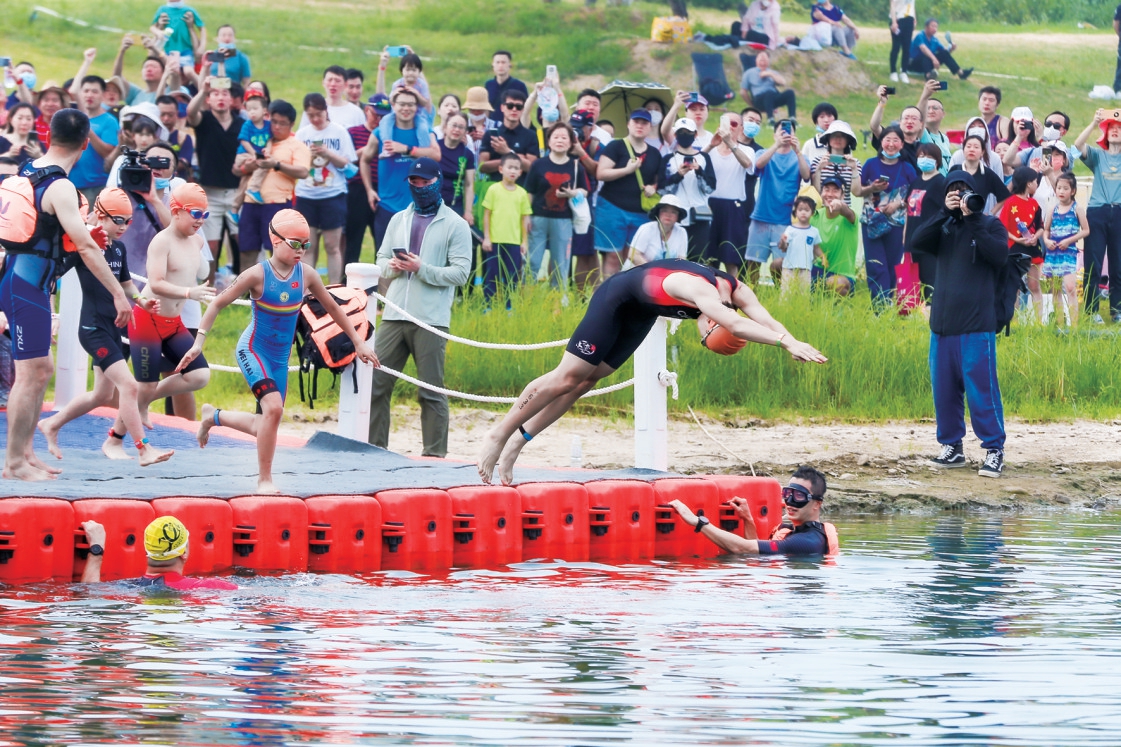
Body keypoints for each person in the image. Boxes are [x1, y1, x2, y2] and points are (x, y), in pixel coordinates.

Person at [476, 258, 827, 485]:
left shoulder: (735, 290)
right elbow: (735, 325)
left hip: (641, 312)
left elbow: (762, 318)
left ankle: (518, 443)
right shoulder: (699, 291)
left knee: (586, 381)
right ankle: (499, 435)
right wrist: (782, 343)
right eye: (706, 335)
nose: (700, 331)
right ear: (710, 324)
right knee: (568, 375)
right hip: (617, 297)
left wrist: (793, 341)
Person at [181, 210, 377, 493]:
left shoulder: (307, 275)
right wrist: (198, 343)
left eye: (306, 244)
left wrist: (359, 343)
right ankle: (264, 480)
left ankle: (214, 416)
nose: (301, 250)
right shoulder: (256, 275)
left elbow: (334, 308)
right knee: (273, 409)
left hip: (279, 359)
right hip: (254, 350)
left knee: (267, 422)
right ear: (275, 239)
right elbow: (216, 304)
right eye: (295, 243)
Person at [0, 109, 132, 481]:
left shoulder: (29, 167)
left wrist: (81, 235)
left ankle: (24, 453)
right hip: (28, 288)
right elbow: (89, 250)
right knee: (34, 372)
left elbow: (45, 235)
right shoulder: (61, 187)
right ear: (86, 144)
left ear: (49, 136)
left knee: (37, 370)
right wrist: (119, 295)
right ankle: (13, 464)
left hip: (17, 277)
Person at [37, 189, 173, 466]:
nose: (123, 227)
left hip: (116, 327)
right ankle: (143, 449)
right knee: (129, 385)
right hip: (93, 328)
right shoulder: (82, 244)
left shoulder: (118, 248)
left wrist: (142, 301)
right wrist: (51, 316)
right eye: (117, 220)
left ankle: (51, 424)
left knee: (102, 394)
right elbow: (51, 279)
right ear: (100, 216)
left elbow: (124, 286)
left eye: (128, 221)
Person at [369, 158, 471, 457]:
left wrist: (421, 268)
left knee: (430, 390)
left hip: (431, 319)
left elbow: (461, 274)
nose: (420, 186)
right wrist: (392, 267)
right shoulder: (397, 219)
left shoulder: (456, 224)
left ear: (438, 181)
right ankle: (374, 450)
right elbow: (379, 261)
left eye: (425, 181)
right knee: (376, 382)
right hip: (393, 314)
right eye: (414, 181)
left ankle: (434, 455)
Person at [910, 170, 1008, 478]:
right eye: (954, 190)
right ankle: (952, 447)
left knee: (982, 390)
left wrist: (974, 218)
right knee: (944, 391)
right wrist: (944, 211)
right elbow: (917, 242)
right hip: (942, 326)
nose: (960, 195)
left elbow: (999, 256)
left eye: (965, 191)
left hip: (977, 325)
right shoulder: (944, 226)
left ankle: (994, 450)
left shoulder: (991, 224)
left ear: (977, 194)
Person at [124, 183, 214, 430]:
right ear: (176, 212)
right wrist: (189, 292)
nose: (201, 220)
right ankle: (116, 436)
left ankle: (141, 402)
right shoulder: (161, 242)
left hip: (173, 323)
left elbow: (203, 270)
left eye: (205, 215)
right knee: (146, 385)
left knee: (199, 376)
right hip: (147, 320)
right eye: (196, 214)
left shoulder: (196, 243)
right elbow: (156, 282)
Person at [668, 466, 839, 555]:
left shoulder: (807, 542)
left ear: (817, 503)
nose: (790, 501)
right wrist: (748, 520)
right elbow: (757, 552)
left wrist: (698, 522)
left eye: (799, 496)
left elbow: (742, 549)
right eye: (787, 493)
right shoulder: (792, 531)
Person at [235, 100, 312, 275]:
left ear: (292, 124)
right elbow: (236, 169)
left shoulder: (297, 146)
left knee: (278, 251)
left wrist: (276, 164)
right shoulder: (260, 140)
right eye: (274, 122)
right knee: (247, 248)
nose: (276, 127)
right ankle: (243, 294)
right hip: (251, 201)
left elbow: (303, 172)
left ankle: (280, 289)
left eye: (282, 123)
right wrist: (247, 167)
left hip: (277, 203)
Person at [361, 88, 442, 252]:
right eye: (402, 104)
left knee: (418, 258)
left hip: (419, 206)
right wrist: (369, 190)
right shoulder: (380, 134)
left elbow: (436, 154)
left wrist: (406, 149)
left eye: (411, 105)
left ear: (416, 107)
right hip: (387, 206)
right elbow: (364, 160)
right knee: (385, 260)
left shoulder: (425, 132)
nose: (406, 108)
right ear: (393, 105)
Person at [294, 93, 357, 284]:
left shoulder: (339, 132)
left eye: (318, 114)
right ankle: (307, 290)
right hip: (306, 195)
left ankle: (334, 288)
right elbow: (297, 165)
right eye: (310, 115)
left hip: (333, 195)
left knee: (332, 245)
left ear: (325, 111)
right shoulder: (302, 135)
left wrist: (327, 153)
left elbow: (347, 163)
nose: (315, 119)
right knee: (308, 246)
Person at [78, 516, 238, 589]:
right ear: (184, 552)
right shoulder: (208, 586)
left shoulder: (128, 587)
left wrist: (96, 549)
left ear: (147, 551)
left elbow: (90, 594)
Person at [853, 125, 917, 307]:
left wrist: (898, 203)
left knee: (892, 266)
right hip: (871, 222)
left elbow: (914, 196)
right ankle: (879, 306)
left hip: (896, 224)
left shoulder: (907, 168)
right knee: (875, 265)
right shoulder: (870, 164)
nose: (891, 144)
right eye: (887, 139)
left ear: (902, 144)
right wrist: (872, 188)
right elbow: (858, 192)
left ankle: (887, 303)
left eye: (895, 140)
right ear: (881, 142)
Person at [594, 110, 663, 278]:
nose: (640, 126)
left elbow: (660, 180)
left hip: (640, 212)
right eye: (636, 121)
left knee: (633, 258)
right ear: (628, 124)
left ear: (650, 127)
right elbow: (601, 173)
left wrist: (653, 188)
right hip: (612, 207)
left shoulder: (654, 153)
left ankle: (627, 298)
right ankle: (608, 298)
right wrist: (626, 170)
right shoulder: (615, 146)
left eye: (644, 123)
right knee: (612, 256)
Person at [186, 75, 241, 276]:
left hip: (237, 191)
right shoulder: (205, 121)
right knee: (211, 245)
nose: (220, 97)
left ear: (231, 99)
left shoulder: (241, 124)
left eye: (224, 93)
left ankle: (245, 287)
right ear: (208, 99)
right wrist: (203, 90)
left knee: (241, 241)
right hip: (210, 192)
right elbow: (191, 113)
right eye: (215, 94)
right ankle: (209, 286)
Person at [745, 120, 810, 286]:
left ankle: (779, 295)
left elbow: (806, 175)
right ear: (775, 135)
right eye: (782, 131)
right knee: (753, 263)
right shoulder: (764, 153)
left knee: (781, 263)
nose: (786, 135)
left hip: (785, 220)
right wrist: (776, 145)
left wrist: (798, 152)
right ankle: (752, 296)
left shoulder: (799, 157)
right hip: (761, 216)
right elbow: (758, 165)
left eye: (790, 132)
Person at [524, 122, 587, 288]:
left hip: (563, 219)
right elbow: (529, 192)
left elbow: (585, 191)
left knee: (561, 262)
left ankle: (558, 299)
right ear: (549, 141)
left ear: (571, 142)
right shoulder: (538, 164)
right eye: (556, 137)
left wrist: (571, 193)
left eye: (564, 137)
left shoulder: (575, 165)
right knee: (533, 260)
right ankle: (527, 298)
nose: (560, 140)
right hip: (538, 217)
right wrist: (526, 216)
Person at [1073, 108, 1121, 323]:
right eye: (1111, 128)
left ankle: (1117, 311)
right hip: (1098, 211)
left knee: (1118, 265)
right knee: (1092, 262)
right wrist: (1094, 123)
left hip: (1119, 211)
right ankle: (1091, 312)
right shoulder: (1097, 155)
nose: (1115, 132)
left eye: (1119, 128)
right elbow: (1078, 145)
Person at [706, 112, 756, 277]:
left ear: (741, 128)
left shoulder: (747, 150)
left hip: (733, 207)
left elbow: (747, 164)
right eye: (726, 123)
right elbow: (696, 162)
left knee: (731, 258)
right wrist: (712, 145)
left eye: (734, 124)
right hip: (710, 205)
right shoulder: (711, 149)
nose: (730, 127)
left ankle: (733, 296)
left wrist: (731, 144)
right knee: (708, 258)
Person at [660, 118, 716, 264]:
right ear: (676, 134)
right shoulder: (668, 159)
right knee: (674, 260)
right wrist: (678, 175)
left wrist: (699, 172)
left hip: (699, 216)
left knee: (698, 260)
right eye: (681, 132)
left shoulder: (704, 158)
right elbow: (662, 190)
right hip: (675, 216)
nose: (685, 136)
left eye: (688, 133)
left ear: (695, 134)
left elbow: (710, 188)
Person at [344, 94, 390, 271]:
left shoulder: (389, 134)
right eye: (375, 115)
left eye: (383, 117)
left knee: (383, 241)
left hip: (383, 189)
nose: (379, 120)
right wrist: (370, 146)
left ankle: (380, 283)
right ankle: (346, 285)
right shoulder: (353, 132)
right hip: (357, 190)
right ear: (367, 111)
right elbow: (347, 160)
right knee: (353, 240)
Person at [481, 154, 532, 301]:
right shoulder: (493, 189)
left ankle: (510, 304)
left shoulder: (522, 193)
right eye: (510, 167)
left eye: (516, 168)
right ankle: (488, 304)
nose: (513, 171)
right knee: (492, 273)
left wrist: (524, 242)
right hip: (495, 241)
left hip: (514, 242)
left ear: (520, 172)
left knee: (512, 275)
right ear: (501, 169)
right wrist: (487, 238)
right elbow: (487, 214)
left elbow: (524, 219)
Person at [904, 142, 948, 302]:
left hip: (930, 243)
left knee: (931, 285)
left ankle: (931, 317)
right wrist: (905, 241)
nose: (924, 160)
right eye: (921, 156)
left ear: (937, 160)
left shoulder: (941, 183)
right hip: (912, 241)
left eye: (929, 156)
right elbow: (908, 212)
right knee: (911, 288)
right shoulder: (915, 182)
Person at [1042, 173, 1087, 327]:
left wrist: (1069, 240)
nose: (1061, 191)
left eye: (1065, 188)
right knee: (1055, 289)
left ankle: (1074, 325)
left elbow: (1086, 230)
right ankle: (1060, 323)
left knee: (1070, 287)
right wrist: (1047, 241)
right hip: (1053, 253)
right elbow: (1046, 230)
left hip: (1068, 252)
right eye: (1059, 188)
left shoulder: (1077, 208)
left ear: (1073, 191)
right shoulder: (1052, 208)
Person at [999, 167, 1044, 321]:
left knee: (1034, 286)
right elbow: (1002, 227)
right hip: (1015, 249)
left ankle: (1039, 322)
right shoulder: (1010, 202)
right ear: (1028, 183)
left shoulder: (1034, 203)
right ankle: (1014, 321)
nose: (1037, 184)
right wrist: (1017, 239)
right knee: (1014, 287)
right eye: (1035, 181)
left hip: (1032, 249)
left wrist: (1035, 237)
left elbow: (1040, 227)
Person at [70, 76, 119, 206]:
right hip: (71, 183)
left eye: (94, 91)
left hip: (95, 186)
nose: (89, 95)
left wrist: (88, 130)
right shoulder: (75, 118)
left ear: (103, 95)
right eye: (86, 91)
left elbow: (107, 153)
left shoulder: (109, 121)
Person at [811, 174, 859, 295]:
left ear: (842, 196)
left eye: (835, 191)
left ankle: (837, 310)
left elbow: (847, 212)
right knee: (778, 265)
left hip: (842, 275)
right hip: (817, 270)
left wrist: (840, 206)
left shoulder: (849, 217)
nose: (830, 194)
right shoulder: (815, 215)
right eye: (826, 190)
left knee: (834, 283)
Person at [479, 90, 539, 186]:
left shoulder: (530, 135)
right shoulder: (490, 134)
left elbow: (532, 168)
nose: (514, 110)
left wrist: (507, 152)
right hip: (494, 190)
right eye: (510, 106)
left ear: (523, 110)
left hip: (520, 190)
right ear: (502, 107)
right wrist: (518, 158)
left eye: (519, 107)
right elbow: (482, 167)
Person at [810, 120, 860, 205]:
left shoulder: (855, 163)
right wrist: (819, 169)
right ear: (828, 138)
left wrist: (854, 169)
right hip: (821, 211)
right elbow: (816, 191)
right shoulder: (817, 161)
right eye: (834, 135)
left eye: (842, 136)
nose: (837, 139)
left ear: (848, 140)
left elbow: (856, 192)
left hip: (844, 212)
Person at [300, 66, 364, 131]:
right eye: (329, 80)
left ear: (345, 84)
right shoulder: (312, 109)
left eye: (337, 81)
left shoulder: (356, 112)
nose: (333, 84)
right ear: (323, 82)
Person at [779, 196, 822, 292]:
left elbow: (816, 248)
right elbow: (784, 247)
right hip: (789, 268)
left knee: (804, 294)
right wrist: (783, 241)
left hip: (806, 269)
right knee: (786, 293)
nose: (803, 212)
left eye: (807, 210)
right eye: (800, 209)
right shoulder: (790, 229)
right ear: (795, 212)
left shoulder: (814, 231)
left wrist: (823, 257)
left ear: (812, 212)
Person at [739, 52, 795, 124]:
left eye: (765, 60)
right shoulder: (749, 73)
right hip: (759, 100)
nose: (763, 62)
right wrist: (751, 105)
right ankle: (770, 120)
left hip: (773, 99)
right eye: (761, 60)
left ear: (768, 61)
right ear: (756, 61)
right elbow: (743, 92)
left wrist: (770, 74)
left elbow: (783, 82)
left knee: (790, 93)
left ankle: (792, 119)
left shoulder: (772, 72)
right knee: (769, 93)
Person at [630, 195, 689, 264]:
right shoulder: (646, 228)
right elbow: (633, 255)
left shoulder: (681, 232)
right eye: (665, 211)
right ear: (658, 213)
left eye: (673, 212)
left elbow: (681, 260)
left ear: (678, 216)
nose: (668, 215)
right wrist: (651, 271)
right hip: (638, 271)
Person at [377, 50, 433, 117]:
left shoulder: (422, 85)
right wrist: (395, 94)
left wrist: (416, 93)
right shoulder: (397, 84)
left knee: (422, 126)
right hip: (398, 114)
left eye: (414, 70)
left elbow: (425, 103)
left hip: (417, 115)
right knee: (386, 121)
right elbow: (390, 102)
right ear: (402, 71)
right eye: (407, 70)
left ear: (419, 72)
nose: (410, 73)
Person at [155, 94, 194, 182]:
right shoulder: (149, 136)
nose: (166, 118)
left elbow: (183, 163)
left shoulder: (184, 138)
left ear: (177, 114)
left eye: (170, 115)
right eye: (162, 114)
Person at [485, 50, 528, 123]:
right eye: (497, 62)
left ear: (510, 65)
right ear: (493, 65)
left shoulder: (519, 85)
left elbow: (525, 109)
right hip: (493, 126)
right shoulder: (489, 85)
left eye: (503, 62)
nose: (500, 65)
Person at [0, 104, 44, 168]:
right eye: (20, 118)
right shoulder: (2, 141)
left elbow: (50, 166)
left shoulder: (37, 145)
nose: (24, 123)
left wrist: (39, 155)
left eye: (28, 119)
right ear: (10, 119)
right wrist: (9, 154)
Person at [890, 0, 916, 84]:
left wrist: (914, 19)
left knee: (907, 47)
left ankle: (904, 71)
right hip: (898, 19)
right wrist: (894, 22)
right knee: (896, 47)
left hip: (909, 19)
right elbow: (892, 4)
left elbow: (912, 4)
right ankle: (893, 71)